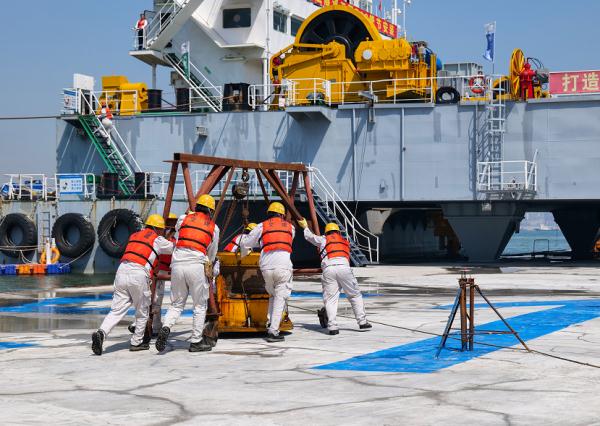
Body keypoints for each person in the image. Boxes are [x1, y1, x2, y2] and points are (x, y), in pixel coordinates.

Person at [91, 214, 174, 355]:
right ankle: (137, 342)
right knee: (142, 311)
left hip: (122, 271)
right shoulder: (158, 239)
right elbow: (174, 248)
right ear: (158, 229)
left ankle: (101, 333)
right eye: (162, 230)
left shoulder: (134, 235)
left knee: (116, 310)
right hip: (139, 273)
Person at [155, 194, 220, 353]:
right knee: (199, 305)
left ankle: (166, 327)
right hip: (197, 265)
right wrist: (209, 266)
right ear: (210, 211)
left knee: (177, 304)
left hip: (177, 264)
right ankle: (196, 341)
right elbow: (212, 253)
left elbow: (178, 231)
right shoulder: (213, 227)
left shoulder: (183, 219)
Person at [299, 221, 371, 335]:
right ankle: (362, 322)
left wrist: (305, 227)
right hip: (345, 269)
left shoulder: (323, 239)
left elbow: (310, 237)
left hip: (329, 269)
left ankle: (332, 327)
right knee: (355, 295)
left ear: (326, 232)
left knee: (331, 299)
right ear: (338, 232)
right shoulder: (345, 241)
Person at [241, 202, 296, 342]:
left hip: (266, 266)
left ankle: (270, 323)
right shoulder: (291, 227)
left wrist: (259, 243)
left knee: (272, 295)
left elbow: (245, 243)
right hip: (283, 266)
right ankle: (273, 331)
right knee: (280, 297)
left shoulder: (261, 226)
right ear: (282, 214)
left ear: (269, 213)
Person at [128, 213, 178, 336]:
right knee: (152, 300)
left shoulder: (166, 240)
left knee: (151, 300)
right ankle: (151, 326)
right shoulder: (162, 240)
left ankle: (152, 325)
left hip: (159, 272)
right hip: (156, 272)